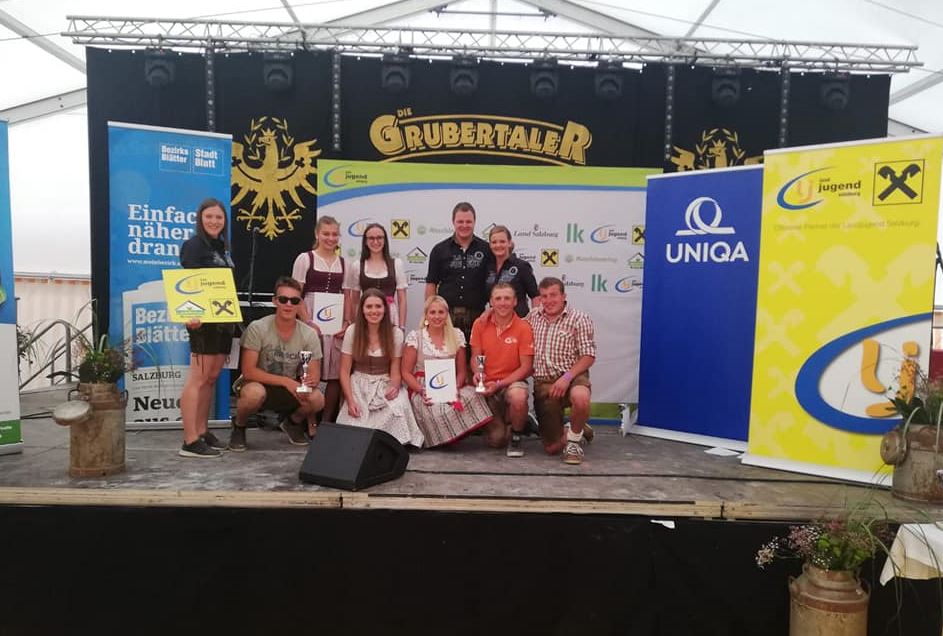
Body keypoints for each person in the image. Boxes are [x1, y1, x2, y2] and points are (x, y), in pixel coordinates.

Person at [228, 277, 325, 452]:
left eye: (294, 301)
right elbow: (248, 371)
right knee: (253, 394)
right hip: (258, 384)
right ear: (275, 301)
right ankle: (239, 426)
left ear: (300, 304)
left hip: (290, 387)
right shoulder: (258, 328)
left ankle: (292, 423)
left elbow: (314, 374)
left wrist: (309, 382)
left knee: (317, 399)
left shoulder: (309, 334)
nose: (288, 304)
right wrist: (287, 382)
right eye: (283, 299)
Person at [178, 197, 236, 458]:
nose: (214, 221)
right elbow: (187, 283)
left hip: (223, 319)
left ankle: (202, 431)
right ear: (200, 219)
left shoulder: (222, 248)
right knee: (198, 378)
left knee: (211, 378)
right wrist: (191, 314)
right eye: (209, 216)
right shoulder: (193, 246)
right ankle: (190, 440)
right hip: (202, 321)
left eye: (219, 217)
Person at [401, 295, 493, 447]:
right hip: (423, 386)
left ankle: (453, 435)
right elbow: (405, 372)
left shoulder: (456, 335)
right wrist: (422, 390)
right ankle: (439, 439)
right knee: (436, 410)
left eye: (441, 312)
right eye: (432, 312)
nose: (437, 316)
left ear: (447, 314)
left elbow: (461, 372)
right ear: (426, 315)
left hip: (449, 383)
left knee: (474, 395)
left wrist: (454, 388)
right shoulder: (416, 337)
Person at [336, 288, 424, 447]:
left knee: (397, 408)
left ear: (385, 309)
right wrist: (350, 400)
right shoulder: (352, 331)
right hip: (358, 383)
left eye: (378, 306)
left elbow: (395, 371)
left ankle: (386, 442)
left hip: (384, 381)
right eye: (369, 307)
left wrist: (394, 386)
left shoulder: (395, 333)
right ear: (362, 309)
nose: (374, 311)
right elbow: (344, 371)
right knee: (357, 418)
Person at [527, 277, 596, 465]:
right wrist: (489, 313)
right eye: (544, 296)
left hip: (573, 376)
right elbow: (512, 325)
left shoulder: (579, 318)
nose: (548, 300)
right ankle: (578, 428)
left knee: (581, 397)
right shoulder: (533, 317)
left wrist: (567, 377)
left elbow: (588, 356)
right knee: (552, 448)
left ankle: (573, 442)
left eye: (553, 295)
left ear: (563, 296)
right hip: (544, 384)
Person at [292, 215, 348, 433]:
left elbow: (349, 296)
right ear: (317, 234)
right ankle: (310, 420)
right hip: (310, 319)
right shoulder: (305, 259)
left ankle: (326, 421)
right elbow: (296, 295)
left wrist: (346, 321)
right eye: (326, 233)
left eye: (334, 234)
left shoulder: (344, 263)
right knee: (308, 372)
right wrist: (307, 321)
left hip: (334, 322)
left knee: (333, 374)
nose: (330, 238)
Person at [470, 282, 534, 457]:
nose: (503, 303)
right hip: (488, 385)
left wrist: (499, 384)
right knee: (497, 440)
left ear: (515, 301)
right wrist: (478, 373)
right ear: (491, 302)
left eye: (507, 298)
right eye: (498, 298)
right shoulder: (480, 324)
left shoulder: (524, 327)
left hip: (512, 383)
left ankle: (517, 435)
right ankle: (517, 419)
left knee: (518, 397)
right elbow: (476, 357)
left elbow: (526, 367)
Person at [425, 201, 492, 345]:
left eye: (468, 221)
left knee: (475, 355)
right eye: (460, 221)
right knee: (446, 355)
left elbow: (494, 282)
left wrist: (492, 310)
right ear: (453, 222)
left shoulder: (486, 249)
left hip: (478, 317)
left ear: (474, 222)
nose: (464, 225)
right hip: (446, 317)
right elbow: (431, 283)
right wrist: (429, 313)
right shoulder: (439, 250)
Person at [344, 223, 407, 328]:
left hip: (390, 315)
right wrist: (356, 325)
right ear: (365, 241)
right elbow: (355, 301)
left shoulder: (397, 264)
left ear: (385, 240)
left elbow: (402, 300)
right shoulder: (357, 266)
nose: (376, 242)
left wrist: (402, 327)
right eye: (371, 238)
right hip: (366, 315)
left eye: (379, 238)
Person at [484, 224, 539, 318]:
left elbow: (535, 296)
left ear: (509, 243)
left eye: (502, 241)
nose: (498, 245)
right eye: (494, 242)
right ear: (490, 245)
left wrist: (534, 320)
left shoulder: (522, 266)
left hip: (519, 321)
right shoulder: (488, 267)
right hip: (496, 321)